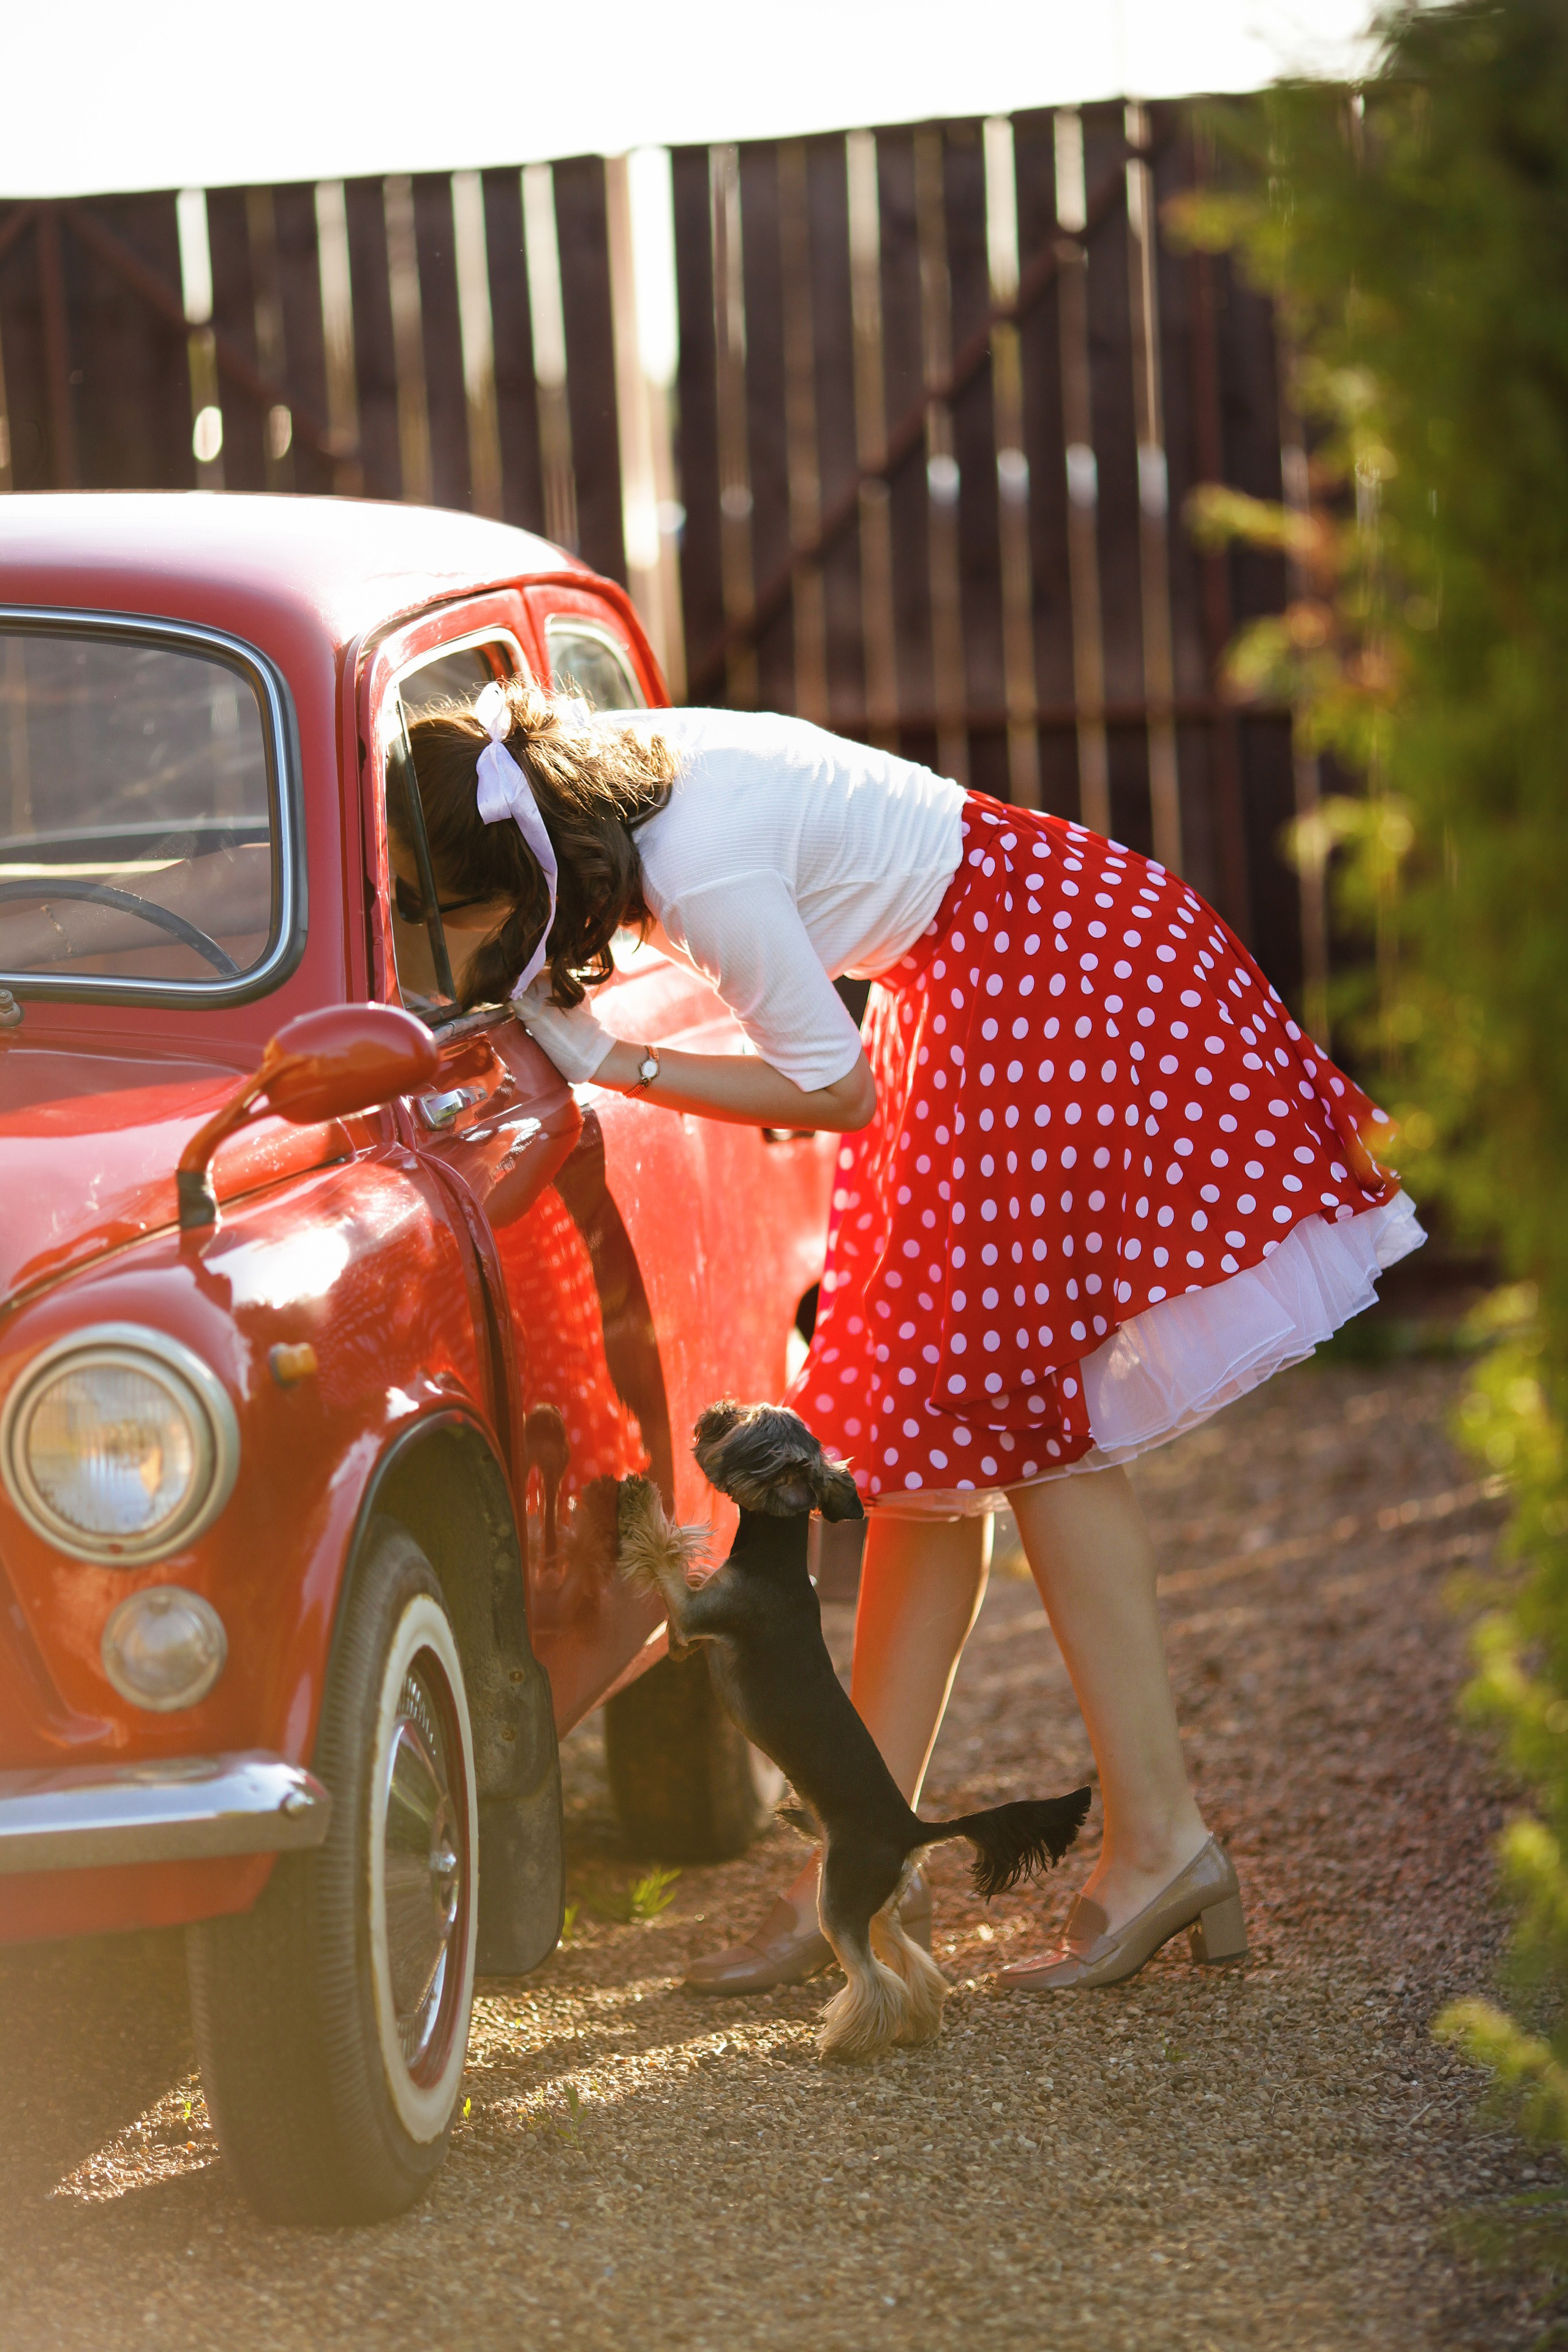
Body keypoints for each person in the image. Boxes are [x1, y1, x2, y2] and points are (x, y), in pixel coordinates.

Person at [398, 679, 1422, 1992]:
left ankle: (1157, 1841)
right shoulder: (623, 781)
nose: (439, 948)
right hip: (983, 970)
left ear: (526, 879)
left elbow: (835, 1087)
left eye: (447, 916)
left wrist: (613, 1061)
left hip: (1045, 971)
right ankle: (863, 1867)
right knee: (925, 1452)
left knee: (1032, 1428)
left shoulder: (697, 870)